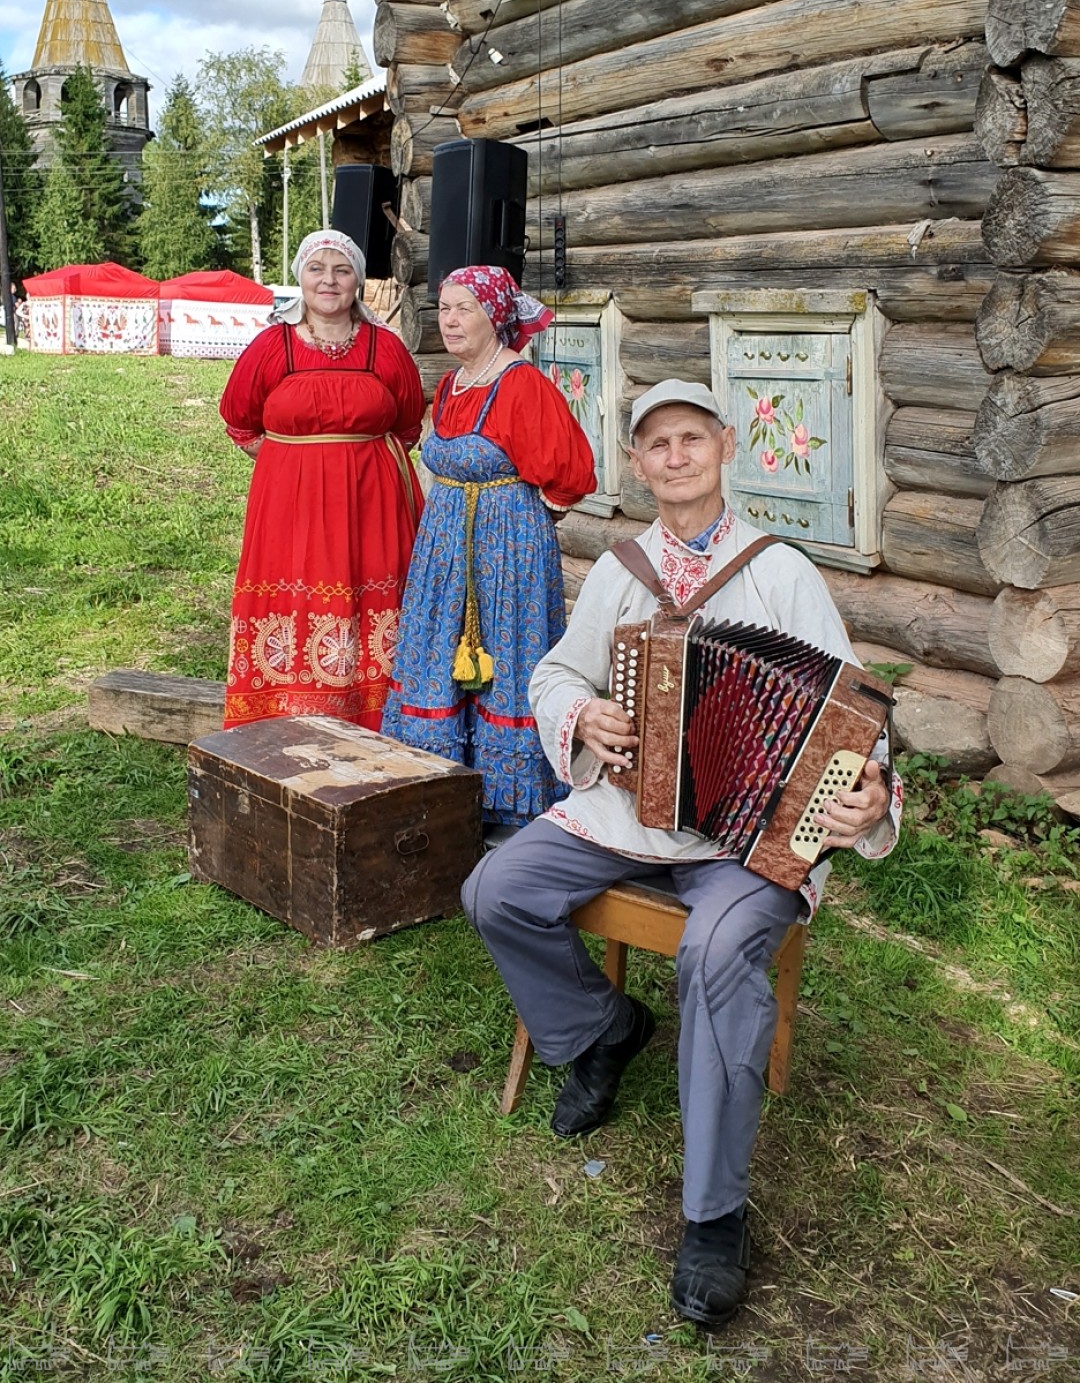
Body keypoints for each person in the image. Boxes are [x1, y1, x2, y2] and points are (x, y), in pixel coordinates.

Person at [462, 380, 903, 1331]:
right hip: (628, 816)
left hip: (747, 838)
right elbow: (555, 672)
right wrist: (584, 714)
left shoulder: (780, 571)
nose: (673, 455)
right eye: (655, 443)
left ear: (724, 446)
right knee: (496, 886)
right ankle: (601, 1031)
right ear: (637, 463)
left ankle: (713, 1213)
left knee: (712, 954)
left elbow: (854, 720)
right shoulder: (623, 569)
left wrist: (871, 796)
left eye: (690, 438)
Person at [382, 265, 596, 827]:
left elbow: (570, 474)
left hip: (506, 552)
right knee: (436, 653)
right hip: (444, 550)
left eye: (464, 309)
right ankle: (436, 782)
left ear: (495, 318)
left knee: (506, 660)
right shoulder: (451, 385)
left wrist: (519, 526)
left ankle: (506, 806)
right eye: (445, 309)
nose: (450, 321)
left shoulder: (523, 385)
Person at [220, 229, 424, 731]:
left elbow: (408, 424)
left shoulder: (386, 349)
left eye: (342, 270)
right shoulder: (272, 347)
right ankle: (282, 717)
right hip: (290, 506)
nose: (328, 281)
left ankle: (379, 719)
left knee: (369, 594)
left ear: (357, 281)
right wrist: (292, 469)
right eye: (317, 269)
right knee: (297, 594)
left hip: (373, 504)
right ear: (300, 279)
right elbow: (239, 419)